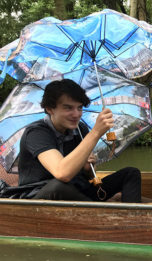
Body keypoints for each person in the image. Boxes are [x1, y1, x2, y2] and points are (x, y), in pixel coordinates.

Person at [11, 79, 142, 202]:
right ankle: (101, 212)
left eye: (79, 108)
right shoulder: (36, 133)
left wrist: (88, 169)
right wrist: (96, 132)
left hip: (77, 190)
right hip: (42, 195)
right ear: (50, 109)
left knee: (131, 173)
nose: (76, 114)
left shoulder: (80, 129)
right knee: (58, 186)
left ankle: (133, 218)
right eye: (68, 108)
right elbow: (62, 173)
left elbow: (90, 176)